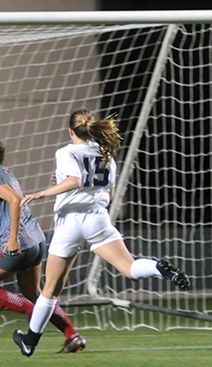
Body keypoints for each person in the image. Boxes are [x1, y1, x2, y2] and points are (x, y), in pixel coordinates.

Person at [12, 108, 191, 357]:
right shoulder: (107, 153)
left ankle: (30, 341)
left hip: (70, 221)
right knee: (129, 268)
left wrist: (40, 193)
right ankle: (158, 267)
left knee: (50, 288)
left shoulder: (66, 151)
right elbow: (109, 193)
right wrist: (66, 185)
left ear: (70, 131)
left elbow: (75, 180)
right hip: (98, 218)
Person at [0, 127, 86, 354]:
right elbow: (14, 207)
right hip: (36, 241)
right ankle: (73, 336)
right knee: (36, 294)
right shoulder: (5, 172)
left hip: (19, 245)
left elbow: (14, 201)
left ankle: (33, 315)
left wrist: (12, 240)